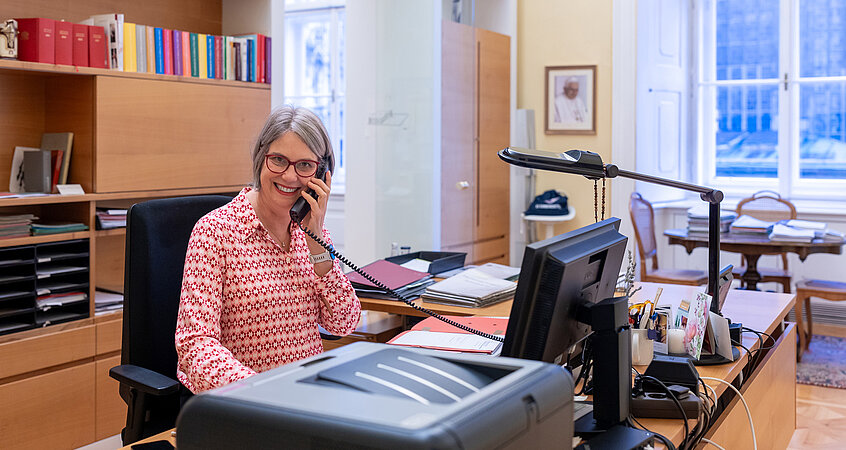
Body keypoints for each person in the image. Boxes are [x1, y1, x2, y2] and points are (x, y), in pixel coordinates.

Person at [175, 105, 362, 393]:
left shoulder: (313, 233)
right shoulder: (214, 232)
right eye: (279, 160)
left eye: (304, 165)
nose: (289, 177)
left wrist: (317, 247)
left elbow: (344, 322)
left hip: (306, 399)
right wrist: (259, 390)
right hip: (244, 405)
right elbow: (195, 345)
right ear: (261, 157)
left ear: (321, 173)